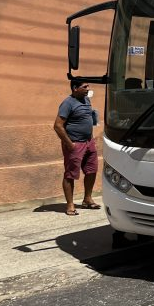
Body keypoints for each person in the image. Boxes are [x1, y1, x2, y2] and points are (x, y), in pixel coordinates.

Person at [53, 78, 100, 215]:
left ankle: (87, 199)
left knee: (91, 171)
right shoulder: (68, 103)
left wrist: (91, 137)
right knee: (70, 174)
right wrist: (70, 144)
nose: (88, 89)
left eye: (88, 86)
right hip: (75, 143)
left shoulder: (86, 100)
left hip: (88, 142)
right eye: (85, 87)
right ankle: (70, 205)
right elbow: (57, 126)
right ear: (75, 88)